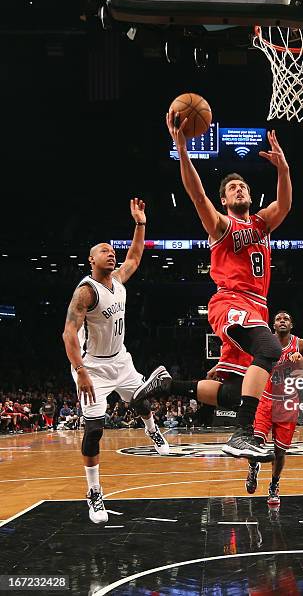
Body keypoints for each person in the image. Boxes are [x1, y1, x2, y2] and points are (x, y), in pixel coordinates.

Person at [166, 111, 292, 460]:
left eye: (243, 186)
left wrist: (283, 169)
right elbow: (195, 193)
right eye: (232, 188)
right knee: (270, 350)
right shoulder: (221, 225)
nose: (239, 189)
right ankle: (243, 433)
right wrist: (182, 150)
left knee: (237, 391)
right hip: (231, 300)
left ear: (251, 196)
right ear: (224, 200)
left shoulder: (262, 223)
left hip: (258, 306)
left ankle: (168, 385)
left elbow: (285, 204)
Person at [62, 198, 172, 524]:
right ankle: (94, 492)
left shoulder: (119, 280)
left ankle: (152, 431)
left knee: (142, 401)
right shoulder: (86, 291)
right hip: (92, 366)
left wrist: (140, 224)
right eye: (104, 251)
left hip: (120, 360)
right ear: (91, 259)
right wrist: (80, 372)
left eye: (113, 250)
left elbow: (135, 256)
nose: (111, 253)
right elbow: (69, 334)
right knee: (94, 430)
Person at [245, 311, 303, 506]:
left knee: (280, 452)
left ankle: (274, 485)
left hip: (288, 403)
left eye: (286, 319)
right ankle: (253, 467)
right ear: (273, 325)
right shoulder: (264, 341)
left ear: (291, 324)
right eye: (278, 319)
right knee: (254, 443)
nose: (282, 321)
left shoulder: (301, 344)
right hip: (265, 400)